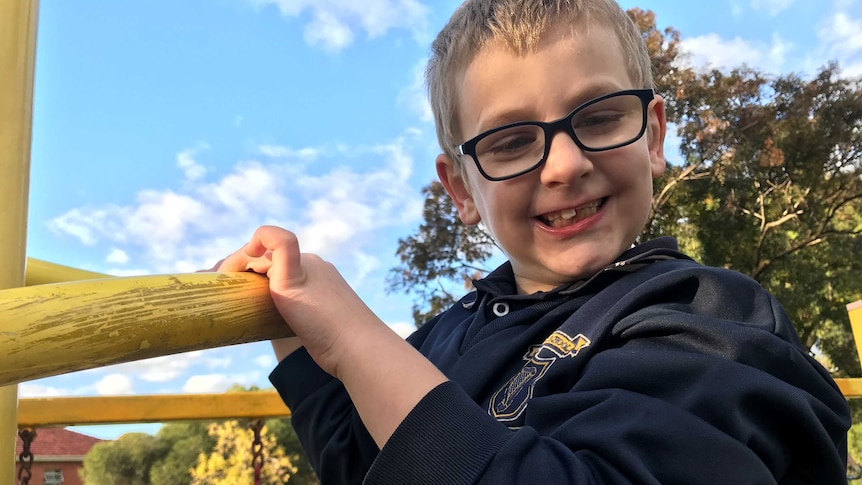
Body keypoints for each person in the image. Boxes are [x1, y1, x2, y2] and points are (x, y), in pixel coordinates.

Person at [212, 0, 851, 482]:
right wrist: (296, 332)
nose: (564, 165)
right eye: (512, 141)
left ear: (652, 136)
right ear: (461, 189)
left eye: (599, 116)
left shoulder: (711, 320)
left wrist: (356, 338)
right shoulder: (448, 334)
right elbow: (364, 463)